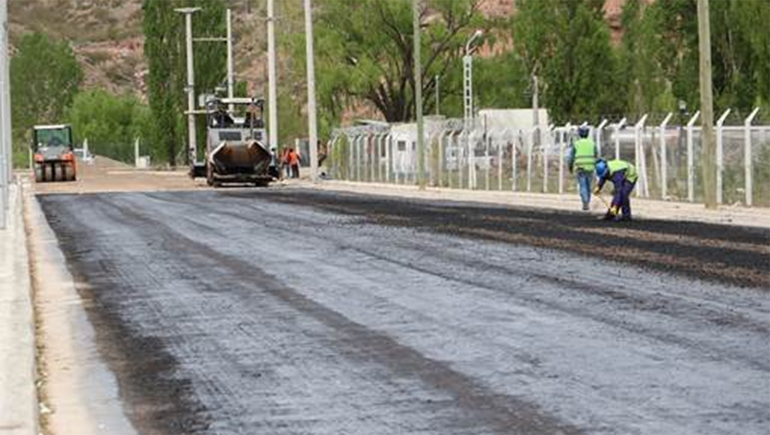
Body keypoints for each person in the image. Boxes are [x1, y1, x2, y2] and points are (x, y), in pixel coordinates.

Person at [567, 125, 598, 211]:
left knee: (583, 185)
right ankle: (587, 200)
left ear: (580, 134)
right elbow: (596, 155)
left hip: (580, 167)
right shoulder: (592, 143)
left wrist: (570, 167)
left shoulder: (576, 144)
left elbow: (571, 157)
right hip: (590, 167)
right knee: (588, 185)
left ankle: (585, 202)